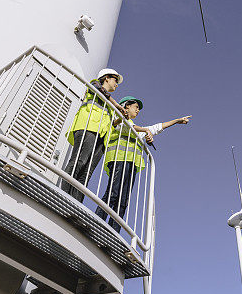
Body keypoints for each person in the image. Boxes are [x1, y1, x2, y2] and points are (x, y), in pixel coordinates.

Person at [96, 97, 191, 232]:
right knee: (113, 193)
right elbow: (130, 126)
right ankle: (97, 221)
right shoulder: (119, 119)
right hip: (119, 160)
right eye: (136, 107)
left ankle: (112, 231)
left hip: (131, 165)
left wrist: (176, 121)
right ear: (126, 106)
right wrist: (145, 131)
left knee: (123, 200)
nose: (138, 110)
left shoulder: (137, 130)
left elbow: (156, 127)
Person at [61, 67, 125, 202]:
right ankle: (62, 196)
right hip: (88, 127)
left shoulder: (110, 105)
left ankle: (75, 203)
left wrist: (120, 118)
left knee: (87, 173)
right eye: (115, 79)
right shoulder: (94, 84)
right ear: (106, 78)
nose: (117, 84)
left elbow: (111, 123)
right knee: (79, 162)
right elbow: (99, 90)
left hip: (102, 137)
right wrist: (118, 106)